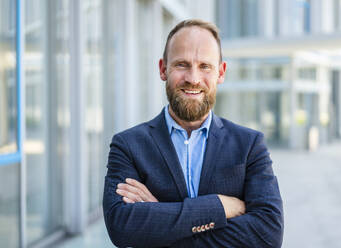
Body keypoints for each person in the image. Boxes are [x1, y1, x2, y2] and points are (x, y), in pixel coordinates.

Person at [103, 19, 283, 248]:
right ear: (162, 69)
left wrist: (160, 217)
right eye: (181, 64)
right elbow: (122, 228)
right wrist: (219, 207)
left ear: (221, 72)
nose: (193, 78)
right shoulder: (128, 145)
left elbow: (268, 235)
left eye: (205, 66)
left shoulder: (249, 145)